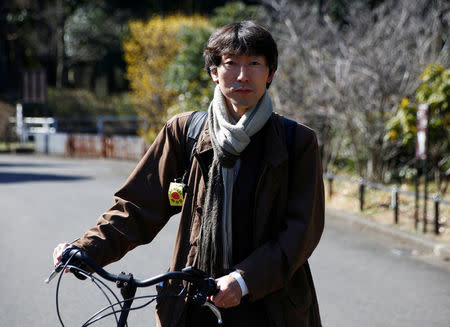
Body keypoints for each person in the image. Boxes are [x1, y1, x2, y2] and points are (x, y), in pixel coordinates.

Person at [53, 21, 324, 327]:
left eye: (254, 64)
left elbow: (300, 233)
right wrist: (86, 249)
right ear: (213, 72)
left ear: (270, 73)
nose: (242, 75)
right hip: (193, 305)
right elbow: (137, 207)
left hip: (271, 308)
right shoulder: (185, 132)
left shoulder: (296, 141)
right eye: (230, 63)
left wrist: (243, 280)